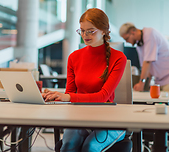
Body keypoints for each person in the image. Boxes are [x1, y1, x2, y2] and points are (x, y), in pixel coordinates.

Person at [43, 8, 127, 152]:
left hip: (109, 119)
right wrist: (54, 96)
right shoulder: (74, 57)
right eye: (82, 30)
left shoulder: (118, 58)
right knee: (68, 147)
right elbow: (70, 93)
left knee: (90, 147)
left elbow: (103, 97)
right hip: (79, 117)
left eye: (90, 31)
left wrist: (66, 96)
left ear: (104, 31)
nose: (85, 35)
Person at [119, 23, 169, 92]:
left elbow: (148, 62)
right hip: (161, 79)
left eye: (126, 38)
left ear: (132, 32)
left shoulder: (149, 34)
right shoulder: (139, 45)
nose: (127, 41)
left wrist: (141, 84)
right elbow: (146, 68)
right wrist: (145, 86)